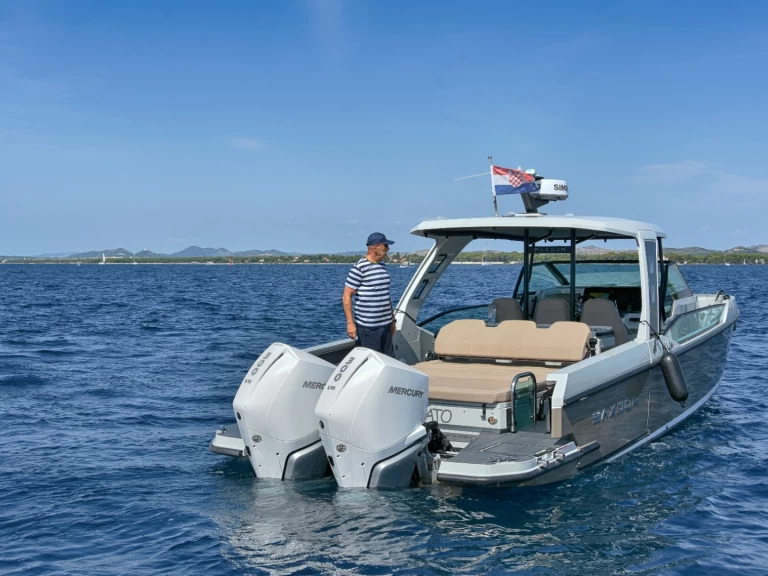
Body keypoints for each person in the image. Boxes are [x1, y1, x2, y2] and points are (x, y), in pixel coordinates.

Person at [342, 232, 396, 357]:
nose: (388, 249)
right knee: (371, 363)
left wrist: (392, 321)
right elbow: (346, 296)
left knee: (390, 361)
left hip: (386, 325)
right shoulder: (359, 268)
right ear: (375, 247)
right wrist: (350, 323)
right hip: (369, 328)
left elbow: (385, 294)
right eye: (385, 245)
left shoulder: (382, 265)